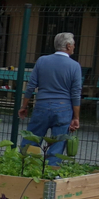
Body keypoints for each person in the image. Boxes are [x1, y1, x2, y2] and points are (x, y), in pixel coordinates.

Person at [19, 32, 82, 165]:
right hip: (63, 108)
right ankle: (50, 173)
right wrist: (76, 117)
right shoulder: (75, 66)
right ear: (68, 46)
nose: (74, 47)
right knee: (58, 144)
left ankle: (26, 168)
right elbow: (75, 94)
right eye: (74, 45)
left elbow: (31, 86)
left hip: (42, 105)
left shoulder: (42, 61)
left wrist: (24, 106)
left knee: (32, 140)